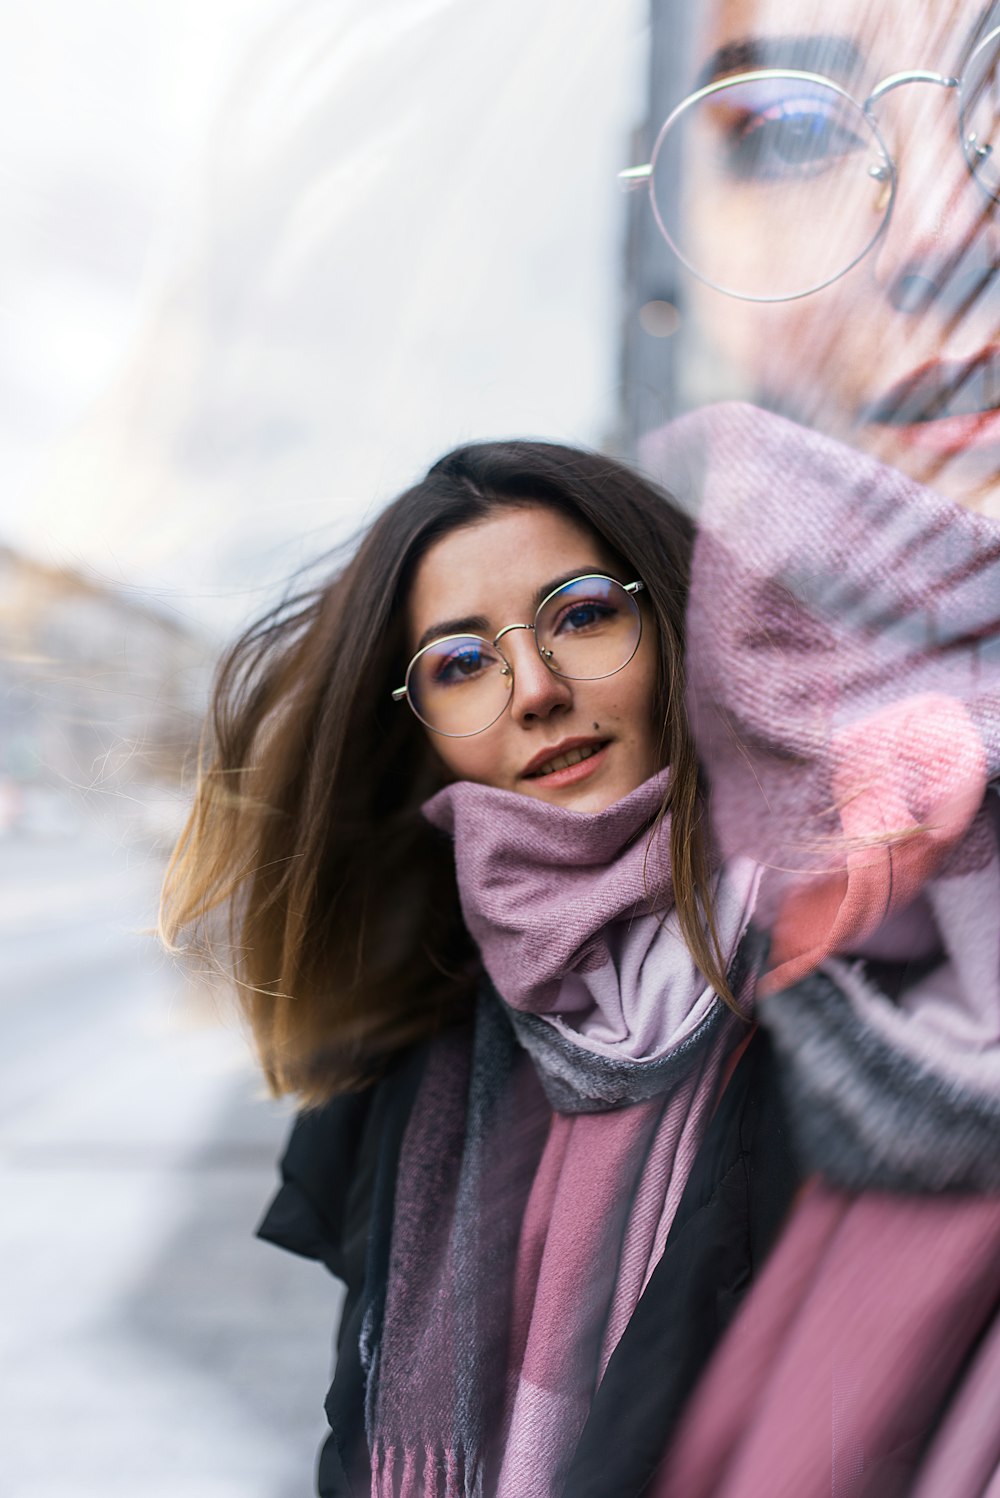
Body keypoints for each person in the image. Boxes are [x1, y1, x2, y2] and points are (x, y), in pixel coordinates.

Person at [159, 439, 797, 1498]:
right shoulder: (416, 1038)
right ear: (418, 729)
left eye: (583, 613)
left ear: (675, 617)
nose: (536, 690)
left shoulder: (852, 957)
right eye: (462, 664)